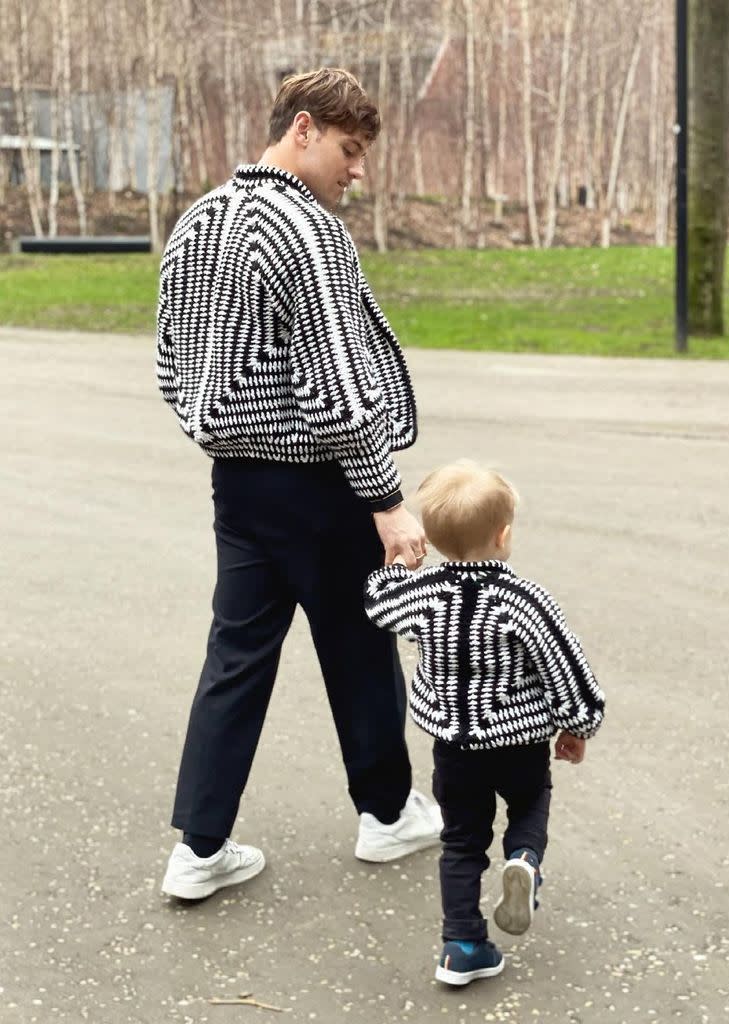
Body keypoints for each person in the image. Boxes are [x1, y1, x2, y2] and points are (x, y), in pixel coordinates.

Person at [155, 67, 441, 901]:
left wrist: (218, 429)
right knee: (358, 649)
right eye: (351, 151)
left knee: (235, 658)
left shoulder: (198, 219)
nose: (359, 170)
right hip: (320, 485)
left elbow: (172, 364)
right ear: (304, 129)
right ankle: (388, 817)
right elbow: (340, 389)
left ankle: (198, 850)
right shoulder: (307, 231)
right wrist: (386, 501)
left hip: (238, 487)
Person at [364, 461, 606, 985]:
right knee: (529, 803)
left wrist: (394, 564)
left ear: (435, 539)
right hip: (518, 741)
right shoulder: (525, 601)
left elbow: (378, 602)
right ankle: (523, 859)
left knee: (461, 841)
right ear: (504, 533)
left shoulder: (421, 596)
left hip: (454, 747)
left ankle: (463, 945)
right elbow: (565, 666)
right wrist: (577, 726)